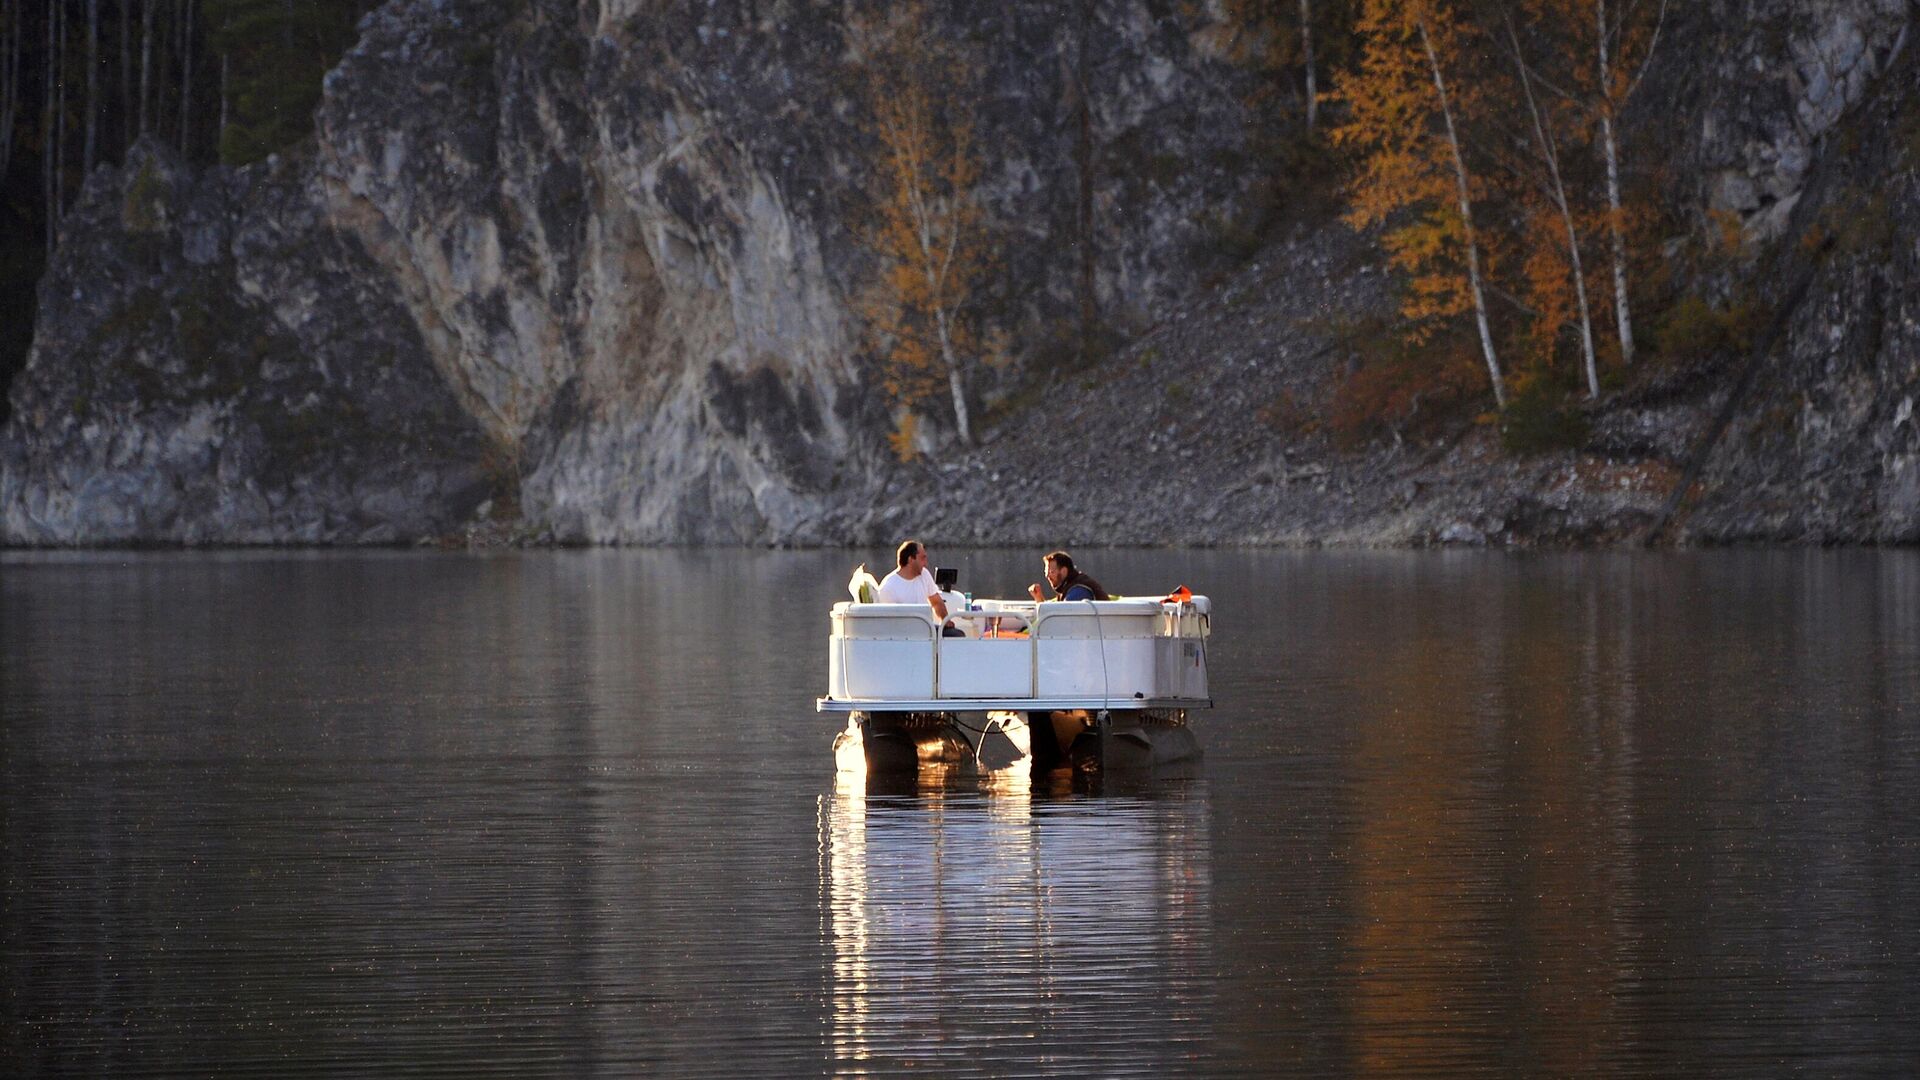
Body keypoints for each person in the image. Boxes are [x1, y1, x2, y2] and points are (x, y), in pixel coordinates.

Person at [877, 538, 963, 635]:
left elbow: (936, 602)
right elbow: (890, 623)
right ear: (910, 559)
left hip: (927, 629)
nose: (926, 563)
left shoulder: (924, 574)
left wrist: (945, 620)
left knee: (957, 635)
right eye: (923, 558)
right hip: (904, 634)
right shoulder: (889, 587)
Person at [1027, 550, 1110, 602]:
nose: (1047, 576)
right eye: (1045, 572)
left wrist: (1040, 601)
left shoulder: (1079, 590)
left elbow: (1060, 617)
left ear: (1063, 571)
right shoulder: (1069, 586)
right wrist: (1039, 598)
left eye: (1051, 572)